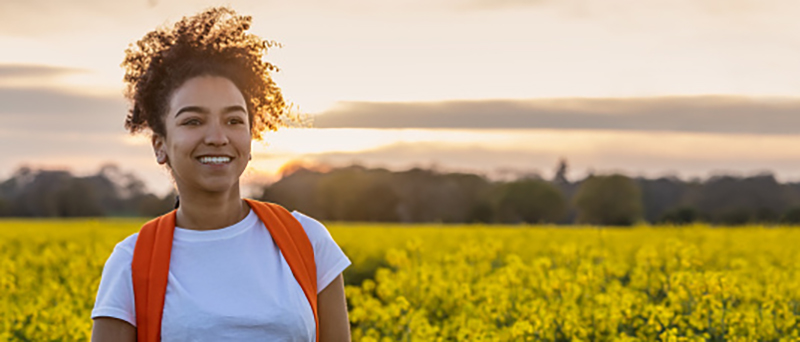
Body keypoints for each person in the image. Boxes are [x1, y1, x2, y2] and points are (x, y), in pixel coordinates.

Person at [90, 7, 352, 341]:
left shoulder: (308, 241)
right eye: (193, 121)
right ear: (160, 145)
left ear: (250, 136)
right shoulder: (131, 263)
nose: (217, 136)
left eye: (233, 120)